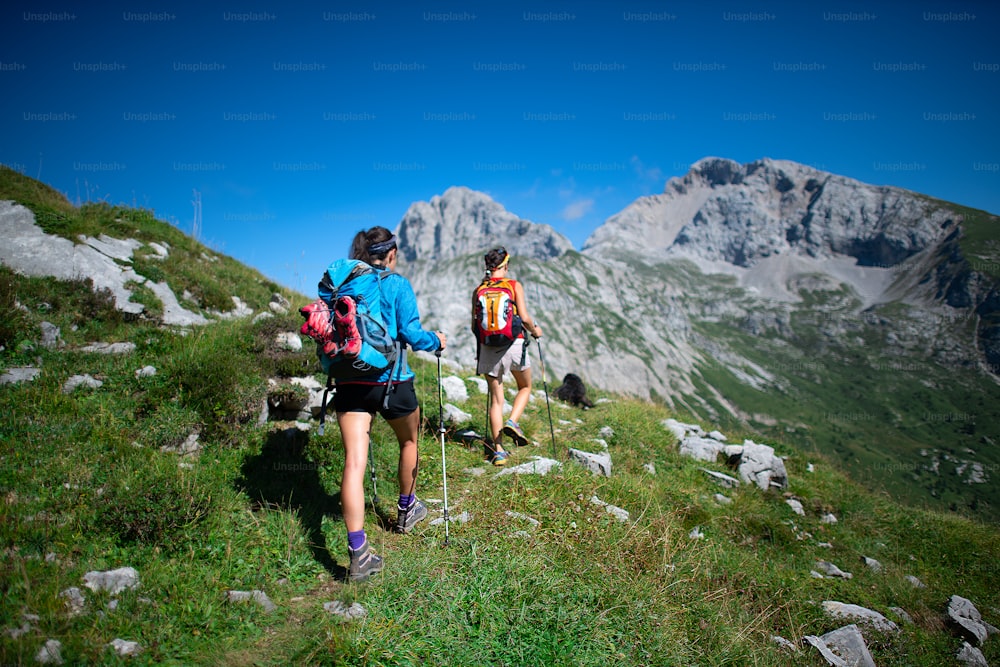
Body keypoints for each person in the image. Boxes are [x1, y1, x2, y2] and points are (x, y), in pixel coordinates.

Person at [333, 226, 446, 582]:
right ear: (392, 253)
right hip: (392, 383)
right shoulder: (397, 285)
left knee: (354, 463)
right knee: (409, 441)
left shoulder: (346, 285)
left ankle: (358, 554)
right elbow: (412, 335)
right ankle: (406, 509)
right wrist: (436, 340)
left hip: (350, 383)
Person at [472, 247, 543, 466]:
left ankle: (499, 451)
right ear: (505, 265)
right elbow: (524, 317)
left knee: (496, 400)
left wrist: (483, 347)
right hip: (514, 344)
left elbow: (473, 325)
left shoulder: (479, 290)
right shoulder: (513, 285)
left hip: (488, 347)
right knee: (525, 387)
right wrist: (536, 330)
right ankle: (513, 421)